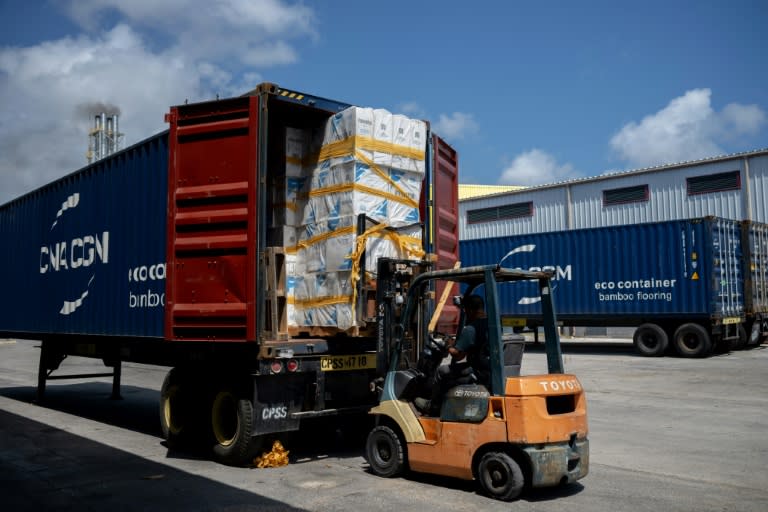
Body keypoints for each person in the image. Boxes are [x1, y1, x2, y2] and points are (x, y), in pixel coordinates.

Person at [415, 294, 490, 415]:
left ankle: (434, 406)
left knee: (441, 371)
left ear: (470, 310)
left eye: (465, 310)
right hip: (487, 371)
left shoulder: (471, 329)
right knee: (451, 371)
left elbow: (457, 355)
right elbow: (472, 345)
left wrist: (449, 345)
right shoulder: (490, 325)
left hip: (476, 372)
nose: (465, 314)